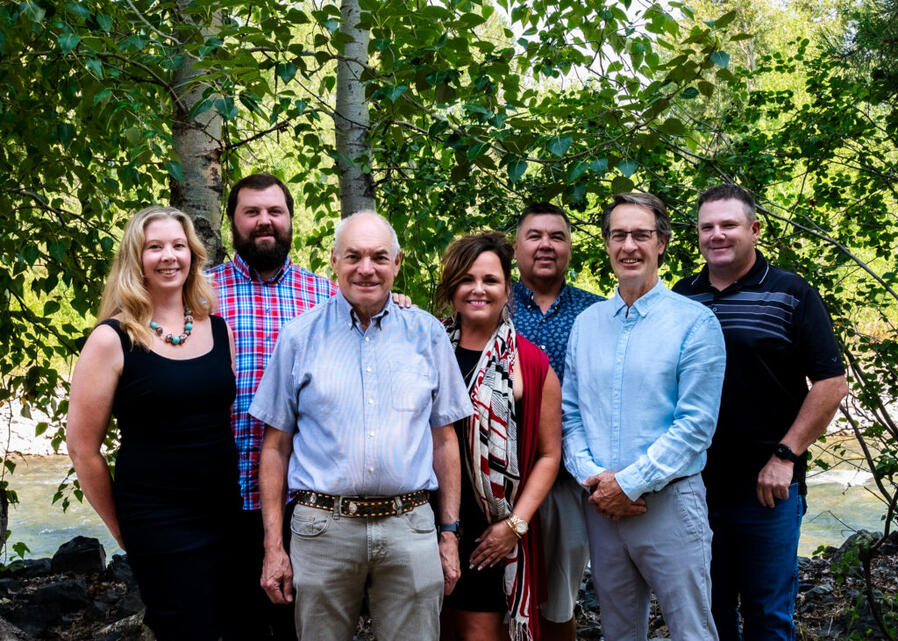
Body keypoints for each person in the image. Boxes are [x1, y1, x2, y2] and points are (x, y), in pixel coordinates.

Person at [249, 211, 473, 641]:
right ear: (334, 261)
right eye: (353, 256)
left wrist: (448, 534)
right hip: (322, 530)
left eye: (379, 257)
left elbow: (445, 441)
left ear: (397, 263)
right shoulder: (298, 337)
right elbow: (275, 448)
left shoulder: (427, 334)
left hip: (410, 527)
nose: (366, 268)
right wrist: (273, 547)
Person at [673, 184, 848, 641]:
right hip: (694, 487)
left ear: (754, 229)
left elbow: (831, 384)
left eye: (728, 225)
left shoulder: (791, 292)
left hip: (768, 488)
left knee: (768, 617)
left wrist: (785, 457)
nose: (717, 235)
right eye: (707, 227)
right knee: (707, 614)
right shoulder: (682, 296)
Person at [67, 206, 244, 640]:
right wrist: (122, 529)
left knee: (232, 625)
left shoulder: (218, 329)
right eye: (155, 247)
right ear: (136, 258)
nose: (169, 256)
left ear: (193, 255)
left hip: (224, 513)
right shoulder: (111, 339)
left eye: (179, 245)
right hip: (156, 522)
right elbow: (82, 449)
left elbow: (215, 421)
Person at [562, 193, 726, 641]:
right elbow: (570, 415)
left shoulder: (696, 323)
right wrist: (596, 481)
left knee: (692, 632)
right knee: (618, 632)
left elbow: (695, 426)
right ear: (606, 243)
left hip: (668, 505)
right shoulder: (587, 323)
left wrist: (629, 484)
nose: (629, 246)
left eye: (641, 234)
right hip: (602, 508)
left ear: (662, 243)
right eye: (618, 235)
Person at [207, 173, 335, 639]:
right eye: (252, 212)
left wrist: (396, 299)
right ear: (233, 222)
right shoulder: (197, 292)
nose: (265, 221)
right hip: (218, 494)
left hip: (304, 499)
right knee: (228, 623)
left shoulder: (327, 297)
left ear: (290, 220)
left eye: (275, 211)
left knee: (298, 625)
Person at [436, 232, 562, 641]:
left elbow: (548, 455)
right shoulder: (426, 347)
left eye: (490, 280)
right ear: (451, 287)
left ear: (508, 289)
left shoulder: (530, 363)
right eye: (466, 279)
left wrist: (515, 525)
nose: (478, 289)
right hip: (422, 523)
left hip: (489, 531)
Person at [511, 204, 601, 641]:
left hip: (569, 481)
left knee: (559, 600)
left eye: (557, 236)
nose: (545, 245)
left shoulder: (597, 313)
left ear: (570, 247)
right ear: (515, 248)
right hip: (501, 480)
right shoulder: (489, 301)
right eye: (534, 236)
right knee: (499, 598)